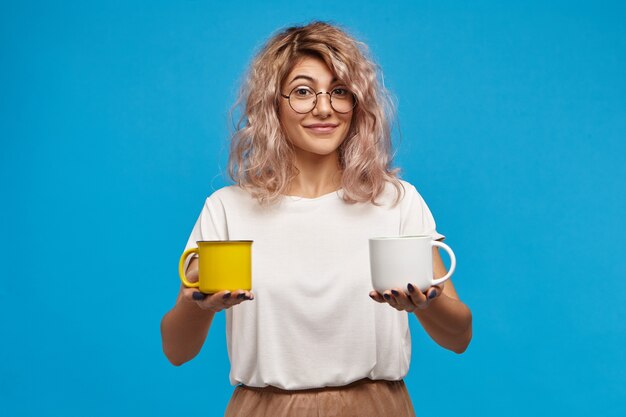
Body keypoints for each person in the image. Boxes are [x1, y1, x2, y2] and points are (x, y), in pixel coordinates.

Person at [160, 20, 472, 417]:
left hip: (377, 408)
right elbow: (176, 350)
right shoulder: (227, 209)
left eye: (339, 91)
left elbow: (460, 336)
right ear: (273, 104)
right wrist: (197, 306)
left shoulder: (397, 202)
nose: (324, 108)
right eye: (303, 92)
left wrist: (424, 306)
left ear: (356, 104)